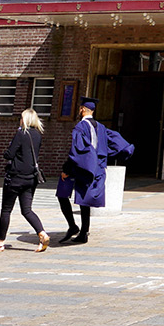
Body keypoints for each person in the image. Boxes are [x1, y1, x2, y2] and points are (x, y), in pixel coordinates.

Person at [55, 99, 132, 244]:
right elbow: (116, 141)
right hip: (98, 168)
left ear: (83, 109)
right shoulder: (102, 127)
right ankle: (83, 232)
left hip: (82, 167)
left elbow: (77, 150)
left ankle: (73, 226)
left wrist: (67, 169)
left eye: (80, 108)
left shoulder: (80, 127)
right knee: (85, 200)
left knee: (62, 193)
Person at [0, 109, 50, 253]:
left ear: (25, 119)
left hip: (15, 177)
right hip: (31, 178)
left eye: (21, 118)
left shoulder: (21, 134)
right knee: (27, 210)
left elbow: (9, 154)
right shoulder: (37, 135)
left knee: (6, 210)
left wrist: (7, 150)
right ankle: (42, 234)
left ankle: (0, 243)